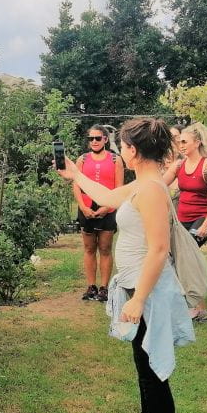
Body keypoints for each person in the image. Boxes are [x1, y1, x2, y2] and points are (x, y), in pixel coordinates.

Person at [57, 118, 195, 413]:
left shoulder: (150, 190)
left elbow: (159, 249)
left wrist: (139, 299)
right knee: (144, 366)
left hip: (148, 292)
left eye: (121, 146)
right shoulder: (143, 185)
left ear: (133, 150)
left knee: (155, 376)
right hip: (138, 288)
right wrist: (75, 175)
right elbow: (105, 197)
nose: (120, 151)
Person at [163, 122, 207, 321]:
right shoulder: (179, 164)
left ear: (197, 142)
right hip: (182, 219)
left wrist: (205, 226)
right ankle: (198, 308)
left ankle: (197, 309)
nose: (180, 145)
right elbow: (161, 184)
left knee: (186, 259)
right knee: (182, 260)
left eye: (184, 142)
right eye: (179, 142)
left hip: (202, 219)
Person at [74, 125, 125, 302]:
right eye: (91, 139)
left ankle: (104, 288)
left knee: (105, 248)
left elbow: (119, 187)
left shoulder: (115, 160)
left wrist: (107, 207)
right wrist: (83, 207)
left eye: (97, 138)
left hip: (108, 208)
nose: (94, 142)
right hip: (86, 208)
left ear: (105, 139)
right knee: (89, 248)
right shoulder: (82, 159)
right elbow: (76, 184)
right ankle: (91, 286)